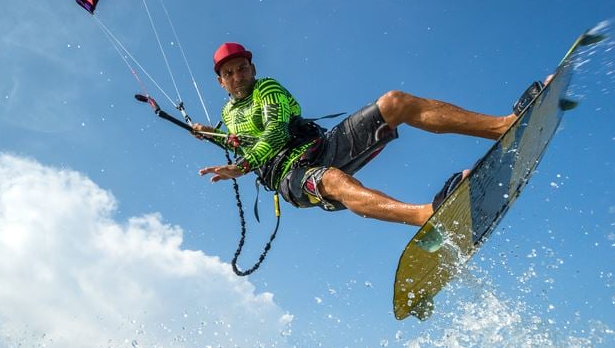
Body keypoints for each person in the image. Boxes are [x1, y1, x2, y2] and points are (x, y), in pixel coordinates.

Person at [193, 42, 542, 226]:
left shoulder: (266, 88)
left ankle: (501, 126)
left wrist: (242, 165)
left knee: (395, 102)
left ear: (253, 67)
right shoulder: (227, 114)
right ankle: (424, 215)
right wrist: (212, 135)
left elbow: (274, 131)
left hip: (321, 145)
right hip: (291, 176)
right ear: (220, 81)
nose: (239, 75)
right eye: (230, 73)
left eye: (243, 68)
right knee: (333, 181)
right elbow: (245, 143)